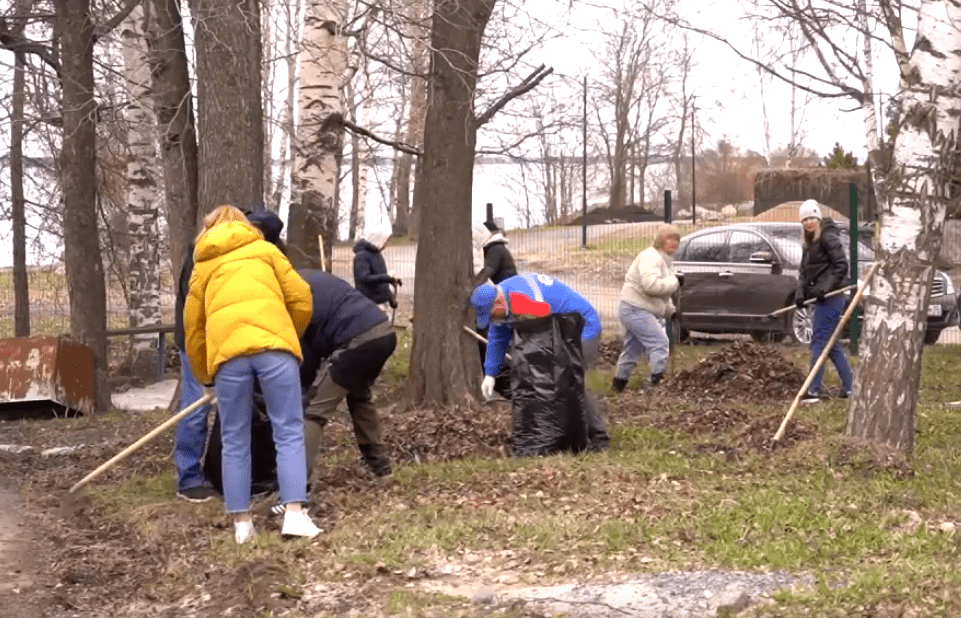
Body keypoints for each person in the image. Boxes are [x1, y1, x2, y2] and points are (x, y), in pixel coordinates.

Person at [184, 205, 321, 543]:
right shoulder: (265, 251)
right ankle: (294, 515)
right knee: (288, 430)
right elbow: (301, 297)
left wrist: (205, 376)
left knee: (234, 438)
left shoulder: (203, 265)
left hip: (228, 357)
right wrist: (287, 334)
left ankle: (242, 525)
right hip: (275, 350)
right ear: (246, 225)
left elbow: (194, 328)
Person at [287, 269, 397, 505]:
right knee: (360, 396)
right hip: (384, 333)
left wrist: (305, 389)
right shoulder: (311, 276)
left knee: (313, 412)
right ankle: (381, 468)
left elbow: (308, 356)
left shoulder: (291, 294)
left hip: (357, 341)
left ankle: (297, 491)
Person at [470, 273, 609, 451]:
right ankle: (563, 436)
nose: (492, 320)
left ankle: (598, 438)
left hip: (582, 329)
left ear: (498, 303)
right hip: (557, 332)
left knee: (573, 381)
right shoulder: (501, 301)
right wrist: (490, 374)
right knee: (557, 383)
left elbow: (543, 338)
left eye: (491, 315)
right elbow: (497, 337)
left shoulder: (526, 299)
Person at [611, 224, 682, 393]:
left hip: (635, 308)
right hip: (635, 309)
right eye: (669, 238)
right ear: (659, 240)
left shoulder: (664, 261)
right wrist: (675, 282)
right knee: (660, 343)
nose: (673, 242)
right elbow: (651, 286)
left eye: (676, 239)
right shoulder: (650, 257)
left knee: (632, 349)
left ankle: (618, 386)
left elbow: (661, 295)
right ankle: (657, 386)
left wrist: (671, 311)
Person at [795, 199, 853, 403]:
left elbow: (841, 265)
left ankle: (813, 391)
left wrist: (825, 288)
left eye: (812, 218)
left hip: (832, 297)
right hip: (820, 297)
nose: (809, 223)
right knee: (831, 345)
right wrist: (800, 293)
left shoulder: (828, 236)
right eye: (804, 220)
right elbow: (803, 272)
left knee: (818, 342)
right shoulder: (808, 241)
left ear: (818, 218)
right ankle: (850, 388)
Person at [353, 231, 401, 309]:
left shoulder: (377, 254)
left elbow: (380, 282)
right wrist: (387, 278)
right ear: (378, 239)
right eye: (385, 241)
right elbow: (364, 278)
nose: (386, 245)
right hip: (369, 303)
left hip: (381, 302)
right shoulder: (361, 256)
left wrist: (390, 296)